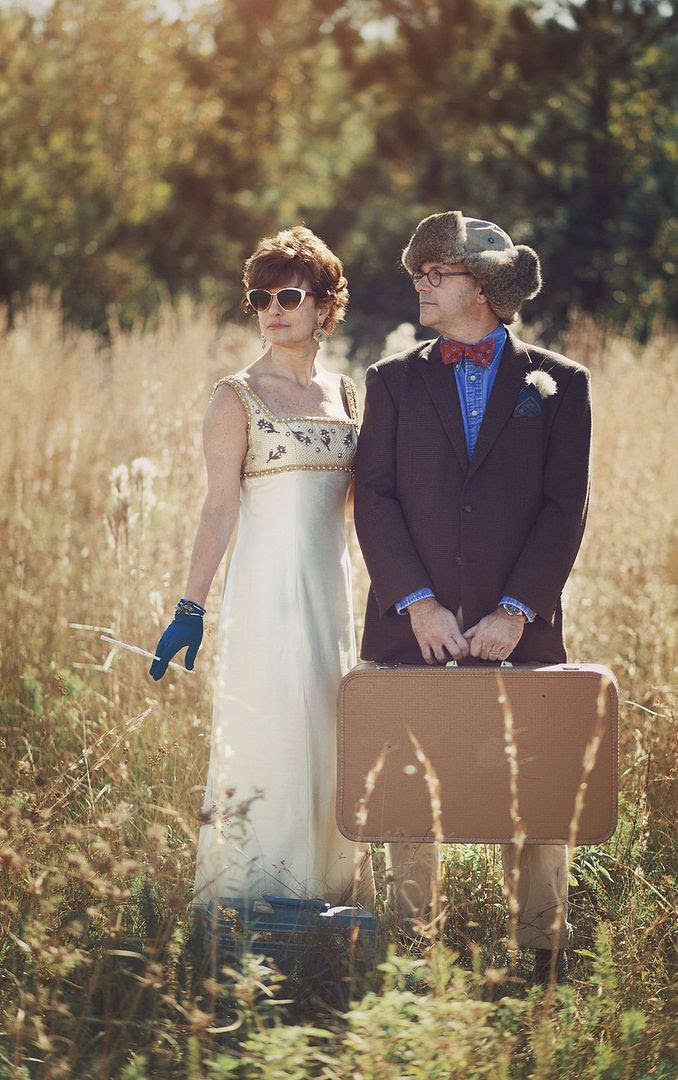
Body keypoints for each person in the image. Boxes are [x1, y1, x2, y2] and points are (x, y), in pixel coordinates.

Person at [353, 212, 591, 983]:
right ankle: (411, 961)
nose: (420, 284)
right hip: (410, 628)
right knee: (408, 788)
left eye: (437, 273)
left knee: (533, 788)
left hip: (521, 629)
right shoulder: (389, 380)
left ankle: (540, 962)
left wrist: (516, 611)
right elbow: (375, 497)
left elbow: (565, 507)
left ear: (483, 287)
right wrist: (418, 603)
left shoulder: (562, 383)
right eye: (417, 272)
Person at [150, 226, 374, 914]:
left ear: (325, 305)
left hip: (331, 598)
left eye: (288, 296)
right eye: (259, 298)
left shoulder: (348, 395)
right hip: (265, 597)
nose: (271, 309)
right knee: (272, 733)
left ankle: (328, 899)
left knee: (330, 734)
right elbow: (218, 508)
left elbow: (360, 508)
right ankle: (250, 907)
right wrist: (190, 608)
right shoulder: (236, 396)